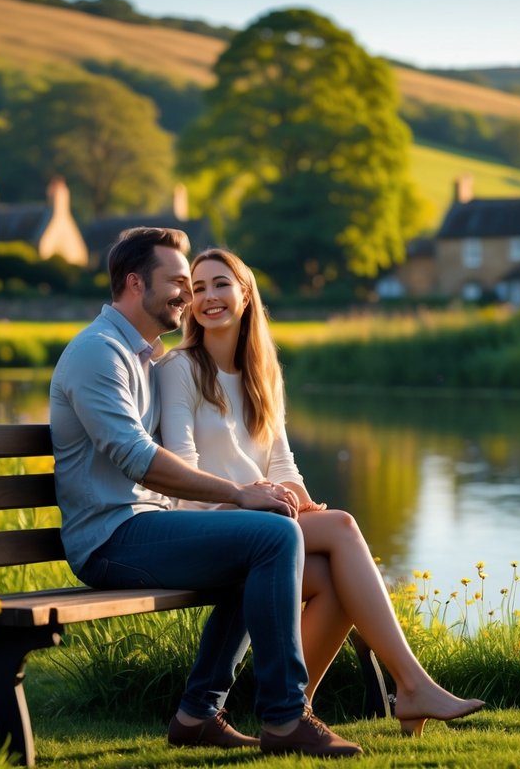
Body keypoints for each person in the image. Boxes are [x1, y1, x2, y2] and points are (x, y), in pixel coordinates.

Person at [49, 227, 363, 757]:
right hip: (110, 541)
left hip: (144, 526)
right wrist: (239, 495)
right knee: (270, 536)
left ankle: (198, 713)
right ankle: (285, 717)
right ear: (134, 283)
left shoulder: (143, 357)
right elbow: (138, 459)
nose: (188, 296)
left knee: (258, 545)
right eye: (177, 281)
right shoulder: (97, 354)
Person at [155, 247, 485, 737]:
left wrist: (299, 501)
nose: (208, 297)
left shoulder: (262, 375)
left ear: (245, 295)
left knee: (332, 576)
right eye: (197, 288)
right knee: (344, 526)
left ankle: (292, 709)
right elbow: (184, 469)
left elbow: (283, 464)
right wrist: (256, 496)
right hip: (208, 521)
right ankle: (410, 685)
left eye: (220, 284)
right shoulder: (178, 368)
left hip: (263, 525)